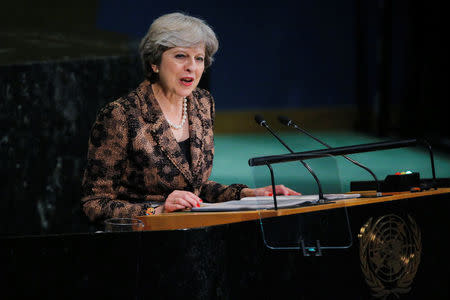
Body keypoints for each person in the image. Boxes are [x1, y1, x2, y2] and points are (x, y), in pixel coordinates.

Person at [81, 12, 299, 222]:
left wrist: (248, 194)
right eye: (180, 56)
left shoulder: (202, 104)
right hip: (141, 240)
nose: (191, 68)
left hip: (189, 233)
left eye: (199, 58)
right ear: (154, 63)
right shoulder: (121, 115)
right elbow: (95, 204)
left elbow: (195, 187)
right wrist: (157, 211)